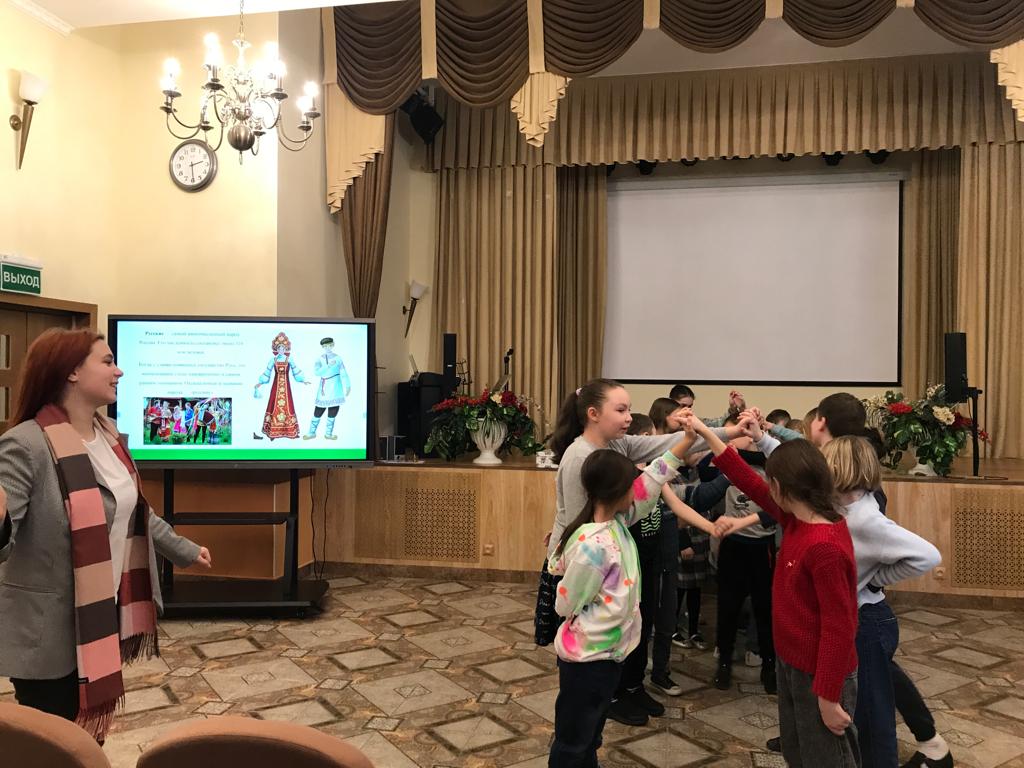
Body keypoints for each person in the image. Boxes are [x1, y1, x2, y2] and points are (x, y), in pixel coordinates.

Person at [0, 329, 212, 742]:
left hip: (99, 614)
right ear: (72, 372)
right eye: (108, 361)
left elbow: (133, 510)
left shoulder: (109, 435)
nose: (119, 371)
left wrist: (183, 550)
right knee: (57, 747)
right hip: (46, 634)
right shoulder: (25, 445)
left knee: (88, 740)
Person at [541, 379, 728, 726]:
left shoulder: (615, 451)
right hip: (582, 593)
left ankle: (619, 692)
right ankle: (602, 706)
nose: (629, 417)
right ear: (593, 413)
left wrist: (704, 436)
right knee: (582, 694)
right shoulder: (582, 468)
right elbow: (572, 584)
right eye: (621, 409)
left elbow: (654, 471)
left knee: (602, 669)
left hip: (599, 596)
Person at [691, 416, 860, 767]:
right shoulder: (796, 517)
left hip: (819, 674)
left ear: (781, 487)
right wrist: (707, 433)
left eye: (771, 482)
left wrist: (828, 696)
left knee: (825, 758)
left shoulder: (824, 545)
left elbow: (839, 627)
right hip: (793, 662)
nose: (766, 488)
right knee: (797, 752)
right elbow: (747, 480)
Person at [547, 432, 698, 766]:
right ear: (620, 491)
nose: (638, 488)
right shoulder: (593, 545)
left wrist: (688, 439)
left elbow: (655, 476)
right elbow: (566, 602)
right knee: (574, 739)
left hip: (608, 655)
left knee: (591, 732)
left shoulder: (618, 521)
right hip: (587, 660)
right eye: (633, 483)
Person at [823, 436, 942, 768]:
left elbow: (928, 556)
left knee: (873, 717)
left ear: (839, 468)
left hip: (868, 623)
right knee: (863, 706)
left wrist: (877, 579)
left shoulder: (865, 518)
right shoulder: (842, 504)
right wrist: (762, 439)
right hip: (857, 618)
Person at [254, 332, 311, 440]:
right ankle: (272, 432)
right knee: (273, 405)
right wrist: (260, 383)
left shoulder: (289, 359)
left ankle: (289, 431)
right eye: (279, 348)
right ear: (276, 349)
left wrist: (303, 381)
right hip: (276, 387)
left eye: (283, 348)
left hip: (286, 387)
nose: (281, 350)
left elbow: (296, 371)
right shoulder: (273, 360)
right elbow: (267, 373)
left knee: (288, 406)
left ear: (286, 349)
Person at [304, 337, 351, 441]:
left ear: (333, 345)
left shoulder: (338, 358)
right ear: (322, 347)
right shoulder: (320, 358)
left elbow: (343, 372)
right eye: (325, 346)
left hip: (336, 387)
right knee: (318, 410)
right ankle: (311, 432)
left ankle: (328, 434)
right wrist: (328, 366)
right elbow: (317, 372)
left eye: (329, 345)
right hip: (324, 387)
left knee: (333, 410)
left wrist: (347, 385)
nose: (327, 348)